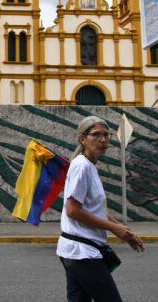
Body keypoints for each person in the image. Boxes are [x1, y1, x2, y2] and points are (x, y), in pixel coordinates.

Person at [56, 116, 146, 302]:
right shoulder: (82, 166)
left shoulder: (90, 166)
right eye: (96, 135)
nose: (103, 140)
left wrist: (122, 230)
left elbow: (95, 209)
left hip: (75, 250)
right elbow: (72, 210)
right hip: (83, 253)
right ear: (82, 139)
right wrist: (113, 228)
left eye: (106, 135)